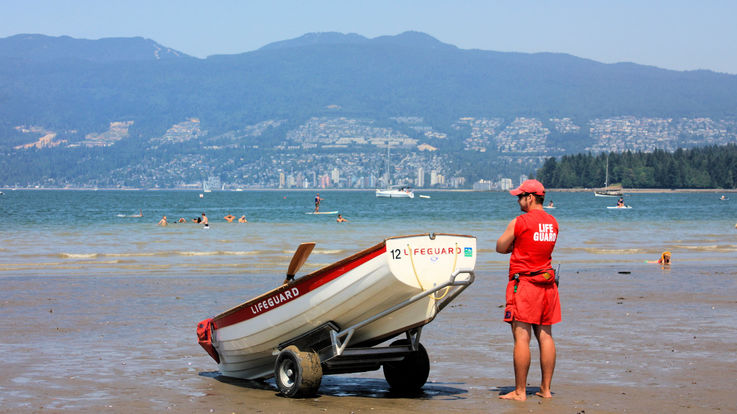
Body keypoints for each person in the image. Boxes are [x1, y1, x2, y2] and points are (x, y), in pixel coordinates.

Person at [496, 179, 560, 401]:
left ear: (530, 197)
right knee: (546, 336)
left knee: (521, 337)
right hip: (547, 284)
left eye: (519, 197)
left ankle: (520, 391)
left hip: (524, 284)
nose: (518, 200)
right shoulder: (553, 223)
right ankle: (546, 389)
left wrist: (515, 246)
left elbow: (500, 246)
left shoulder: (520, 222)